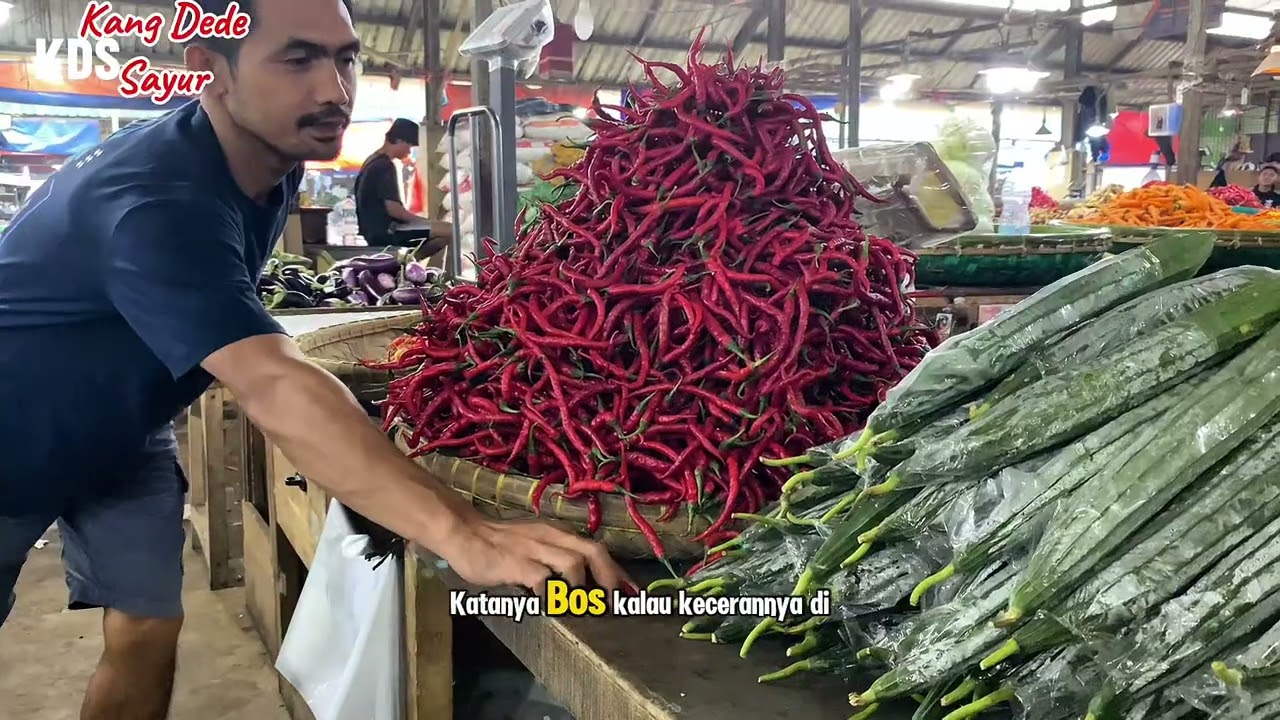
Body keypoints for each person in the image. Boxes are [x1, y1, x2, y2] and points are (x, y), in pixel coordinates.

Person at [0, 1, 631, 718]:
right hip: (14, 430)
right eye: (298, 60)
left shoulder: (271, 158)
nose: (335, 89)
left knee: (148, 624)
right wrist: (466, 535)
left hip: (121, 427)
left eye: (347, 58)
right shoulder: (156, 196)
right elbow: (272, 380)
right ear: (208, 69)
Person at [354, 117, 445, 250]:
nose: (409, 152)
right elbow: (394, 210)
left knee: (439, 228)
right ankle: (409, 262)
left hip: (372, 232)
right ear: (399, 140)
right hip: (387, 232)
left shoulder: (371, 160)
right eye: (409, 146)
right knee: (448, 230)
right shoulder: (385, 166)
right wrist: (426, 222)